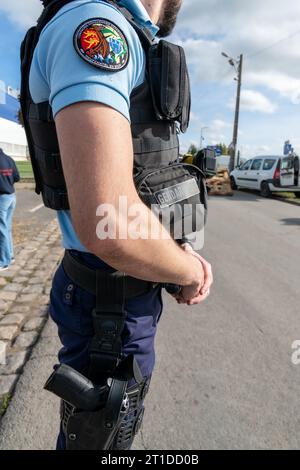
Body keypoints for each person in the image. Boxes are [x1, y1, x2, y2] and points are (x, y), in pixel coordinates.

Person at [23, 0, 213, 450]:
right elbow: (110, 223)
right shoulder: (99, 27)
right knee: (102, 441)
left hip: (113, 296)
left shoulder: (123, 29)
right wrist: (189, 272)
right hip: (108, 304)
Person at [0, 148, 20, 271]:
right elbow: (17, 177)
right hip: (11, 197)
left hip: (1, 198)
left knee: (2, 231)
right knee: (7, 229)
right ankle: (10, 256)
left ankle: (4, 262)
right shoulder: (9, 159)